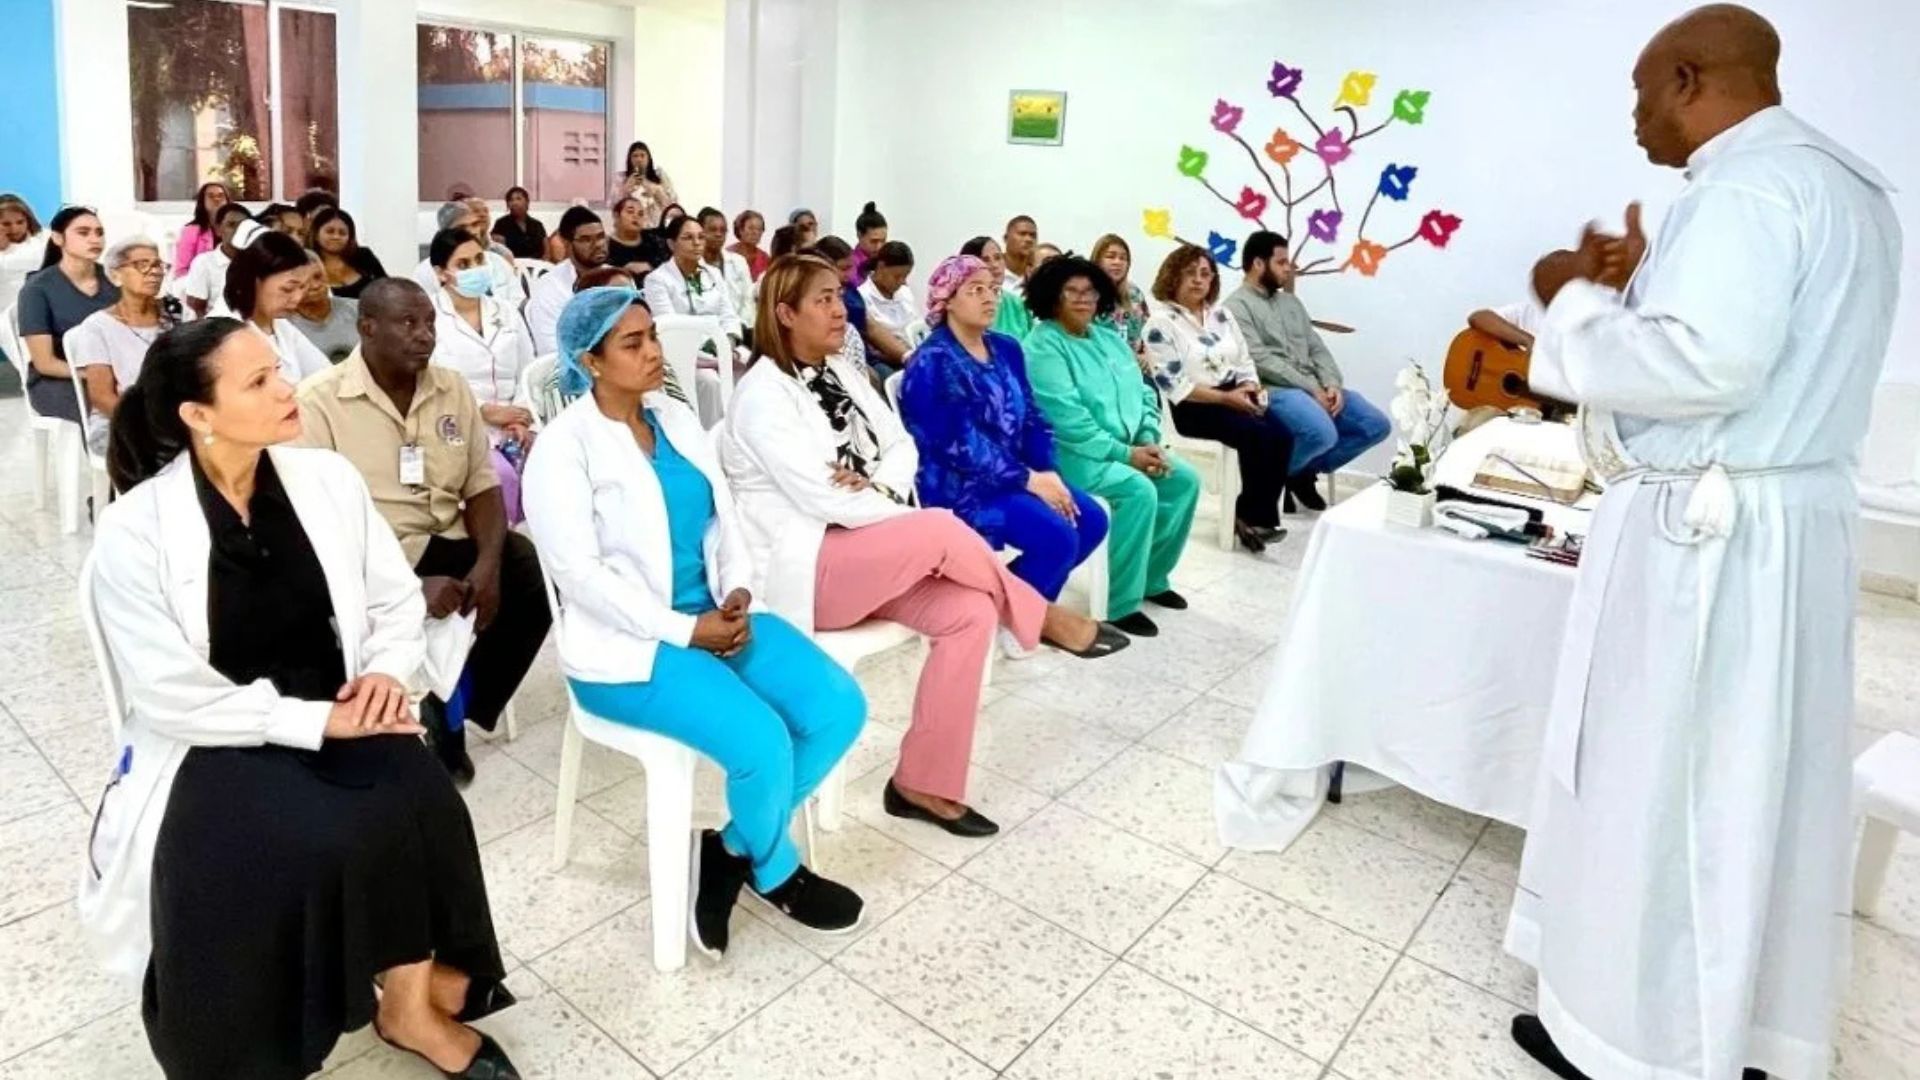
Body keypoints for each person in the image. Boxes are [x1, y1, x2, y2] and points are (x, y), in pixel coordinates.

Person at [1501, 8, 1902, 1080]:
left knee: (1670, 779)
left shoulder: (1748, 185)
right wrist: (1635, 286)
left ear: (1687, 78)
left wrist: (1571, 300)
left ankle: (1639, 1041)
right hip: (1775, 521)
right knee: (1742, 783)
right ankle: (1736, 1020)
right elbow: (1750, 352)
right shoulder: (1843, 185)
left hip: (1710, 541)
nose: (1635, 121)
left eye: (1640, 96)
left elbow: (1705, 367)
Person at [84, 318, 518, 1080]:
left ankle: (409, 1009)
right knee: (310, 838)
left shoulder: (325, 481)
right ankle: (262, 1040)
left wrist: (385, 672)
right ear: (198, 414)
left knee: (424, 803)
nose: (288, 389)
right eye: (258, 382)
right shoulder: (135, 529)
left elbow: (391, 600)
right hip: (221, 732)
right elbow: (167, 693)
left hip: (345, 696)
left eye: (278, 370)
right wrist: (317, 722)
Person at [720, 255, 1127, 836]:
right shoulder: (763, 395)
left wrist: (877, 483)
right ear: (784, 314)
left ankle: (922, 784)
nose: (841, 311)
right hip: (810, 567)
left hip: (874, 548)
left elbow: (899, 446)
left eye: (840, 296)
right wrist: (887, 501)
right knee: (935, 527)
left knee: (969, 612)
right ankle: (1046, 619)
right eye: (824, 301)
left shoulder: (841, 371)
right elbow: (824, 500)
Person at [524, 286, 870, 953]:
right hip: (630, 648)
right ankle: (777, 870)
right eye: (633, 343)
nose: (655, 352)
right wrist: (686, 631)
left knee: (838, 708)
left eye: (652, 335)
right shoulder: (564, 450)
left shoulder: (675, 421)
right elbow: (581, 577)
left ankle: (728, 849)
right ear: (590, 361)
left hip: (715, 616)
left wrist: (736, 587)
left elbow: (724, 517)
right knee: (761, 741)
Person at [296, 279, 550, 784]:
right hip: (373, 554)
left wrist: (488, 565)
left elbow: (480, 485)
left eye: (430, 322)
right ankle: (440, 713)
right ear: (367, 328)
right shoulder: (320, 402)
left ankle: (455, 692)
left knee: (530, 576)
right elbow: (318, 528)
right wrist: (409, 592)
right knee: (410, 609)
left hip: (446, 533)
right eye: (407, 323)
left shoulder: (451, 386)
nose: (425, 335)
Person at [899, 254, 1111, 606]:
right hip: (961, 487)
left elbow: (1031, 417)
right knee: (1058, 537)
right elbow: (959, 444)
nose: (989, 298)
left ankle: (1011, 605)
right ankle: (1020, 614)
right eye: (975, 289)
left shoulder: (1006, 348)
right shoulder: (932, 362)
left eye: (994, 289)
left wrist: (1046, 471)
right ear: (947, 299)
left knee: (1091, 520)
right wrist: (1030, 480)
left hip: (1014, 474)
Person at [1023, 255, 1199, 638]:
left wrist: (1148, 441)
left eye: (1090, 291)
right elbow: (1067, 420)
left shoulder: (1109, 339)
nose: (1083, 299)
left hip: (1129, 446)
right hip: (1075, 456)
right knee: (1137, 491)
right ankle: (1120, 603)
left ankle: (1153, 578)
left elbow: (1144, 393)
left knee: (1184, 480)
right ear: (1052, 297)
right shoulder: (1042, 346)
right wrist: (1126, 455)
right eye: (1072, 291)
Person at [1223, 230, 1390, 512]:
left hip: (1314, 387)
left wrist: (1331, 384)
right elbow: (1260, 359)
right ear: (1258, 264)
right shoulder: (1235, 307)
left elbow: (1316, 348)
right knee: (1323, 433)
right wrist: (1310, 388)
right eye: (1282, 262)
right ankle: (1287, 474)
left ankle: (1299, 471)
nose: (1289, 269)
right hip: (1274, 389)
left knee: (1375, 425)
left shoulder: (1291, 303)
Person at [1145, 244, 1293, 552]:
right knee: (1255, 435)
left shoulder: (1222, 315)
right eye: (1190, 273)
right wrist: (1227, 400)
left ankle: (1248, 513)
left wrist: (1250, 385)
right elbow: (1174, 384)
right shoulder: (1161, 323)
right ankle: (1254, 519)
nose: (1198, 280)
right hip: (1194, 405)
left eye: (1205, 274)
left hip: (1235, 394)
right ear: (1172, 276)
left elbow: (1244, 358)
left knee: (1283, 436)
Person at [427, 227, 538, 523]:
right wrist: (483, 411)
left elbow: (528, 368)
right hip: (459, 428)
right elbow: (432, 384)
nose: (476, 269)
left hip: (517, 424)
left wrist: (519, 414)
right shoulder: (430, 320)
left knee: (552, 467)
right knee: (498, 477)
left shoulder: (505, 312)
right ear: (441, 273)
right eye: (463, 265)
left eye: (479, 260)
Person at [66, 237, 178, 454]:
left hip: (175, 415)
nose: (154, 272)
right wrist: (152, 426)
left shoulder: (177, 314)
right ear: (115, 275)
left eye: (158, 265)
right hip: (119, 421)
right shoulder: (97, 327)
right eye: (142, 265)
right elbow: (101, 397)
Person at [16, 206, 119, 425]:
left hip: (117, 370)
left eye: (99, 233)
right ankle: (104, 457)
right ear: (58, 238)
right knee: (106, 405)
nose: (94, 239)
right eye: (83, 232)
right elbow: (45, 363)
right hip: (59, 379)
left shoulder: (115, 279)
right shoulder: (37, 289)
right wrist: (97, 375)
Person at [225, 231, 332, 386]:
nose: (298, 298)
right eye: (288, 289)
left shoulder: (281, 326)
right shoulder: (226, 333)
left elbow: (323, 375)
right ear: (255, 281)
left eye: (303, 288)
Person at [643, 214, 745, 344]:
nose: (697, 243)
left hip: (722, 345)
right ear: (671, 244)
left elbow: (729, 315)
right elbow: (669, 326)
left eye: (701, 237)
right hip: (681, 349)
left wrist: (728, 342)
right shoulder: (657, 280)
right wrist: (706, 347)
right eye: (688, 238)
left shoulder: (714, 274)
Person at [527, 207, 609, 355]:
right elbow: (551, 352)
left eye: (600, 236)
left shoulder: (618, 278)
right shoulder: (550, 288)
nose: (598, 244)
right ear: (566, 243)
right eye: (586, 239)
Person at [411, 202, 523, 309]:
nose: (473, 231)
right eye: (462, 227)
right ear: (446, 232)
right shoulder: (425, 272)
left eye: (475, 224)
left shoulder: (498, 262)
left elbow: (518, 301)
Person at [180, 204, 253, 319]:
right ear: (218, 230)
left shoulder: (257, 262)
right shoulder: (204, 263)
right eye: (231, 225)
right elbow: (197, 309)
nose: (238, 231)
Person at [288, 251, 360, 365]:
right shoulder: (283, 328)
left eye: (318, 276)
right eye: (304, 282)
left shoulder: (361, 310)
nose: (315, 286)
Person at [1092, 233, 1152, 358]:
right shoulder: (1087, 294)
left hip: (1136, 367)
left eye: (1123, 258)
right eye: (1110, 256)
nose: (1117, 262)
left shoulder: (1134, 294)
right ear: (1097, 260)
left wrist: (1146, 354)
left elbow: (1149, 331)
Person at [309, 207, 388, 302]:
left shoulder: (364, 256)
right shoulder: (307, 262)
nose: (336, 236)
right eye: (330, 231)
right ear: (316, 235)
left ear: (350, 237)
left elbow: (386, 287)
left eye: (342, 233)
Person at [699, 206, 755, 334]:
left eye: (723, 230)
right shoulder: (692, 265)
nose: (719, 234)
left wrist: (739, 328)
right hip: (706, 333)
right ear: (700, 232)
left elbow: (748, 300)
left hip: (741, 329)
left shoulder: (738, 262)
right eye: (713, 230)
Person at [962, 235, 1030, 340]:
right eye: (985, 260)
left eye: (998, 258)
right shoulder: (964, 306)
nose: (994, 265)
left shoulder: (1017, 304)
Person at [0, 194, 48, 333]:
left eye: (20, 222)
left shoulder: (44, 239)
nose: (14, 229)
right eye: (6, 224)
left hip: (40, 316)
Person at [857, 241, 917, 347]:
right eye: (897, 276)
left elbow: (917, 328)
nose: (902, 282)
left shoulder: (904, 292)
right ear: (881, 267)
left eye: (905, 276)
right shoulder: (862, 297)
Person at [172, 181, 232, 279]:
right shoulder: (191, 231)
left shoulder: (238, 228)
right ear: (202, 201)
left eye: (221, 196)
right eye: (211, 196)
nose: (216, 199)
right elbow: (181, 270)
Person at [609, 141, 677, 227]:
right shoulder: (620, 178)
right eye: (635, 156)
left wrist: (657, 191)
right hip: (629, 228)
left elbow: (673, 209)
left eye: (642, 155)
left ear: (649, 159)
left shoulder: (659, 176)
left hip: (655, 227)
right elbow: (613, 207)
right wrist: (625, 189)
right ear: (629, 159)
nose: (639, 160)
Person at [490, 186, 548, 262]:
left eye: (518, 199)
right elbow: (500, 253)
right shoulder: (501, 224)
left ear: (527, 202)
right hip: (512, 267)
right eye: (511, 200)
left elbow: (547, 253)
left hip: (537, 268)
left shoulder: (537, 225)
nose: (514, 203)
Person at [847, 202, 887, 285]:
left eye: (883, 241)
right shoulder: (849, 264)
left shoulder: (887, 261)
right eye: (874, 241)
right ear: (859, 235)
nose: (879, 247)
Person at [729, 209, 771, 280]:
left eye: (759, 229)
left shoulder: (765, 258)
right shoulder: (728, 255)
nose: (755, 232)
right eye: (751, 228)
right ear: (740, 230)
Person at [1002, 215, 1039, 291]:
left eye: (1033, 236)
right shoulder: (992, 274)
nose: (1029, 239)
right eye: (1022, 234)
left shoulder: (1038, 278)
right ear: (1006, 238)